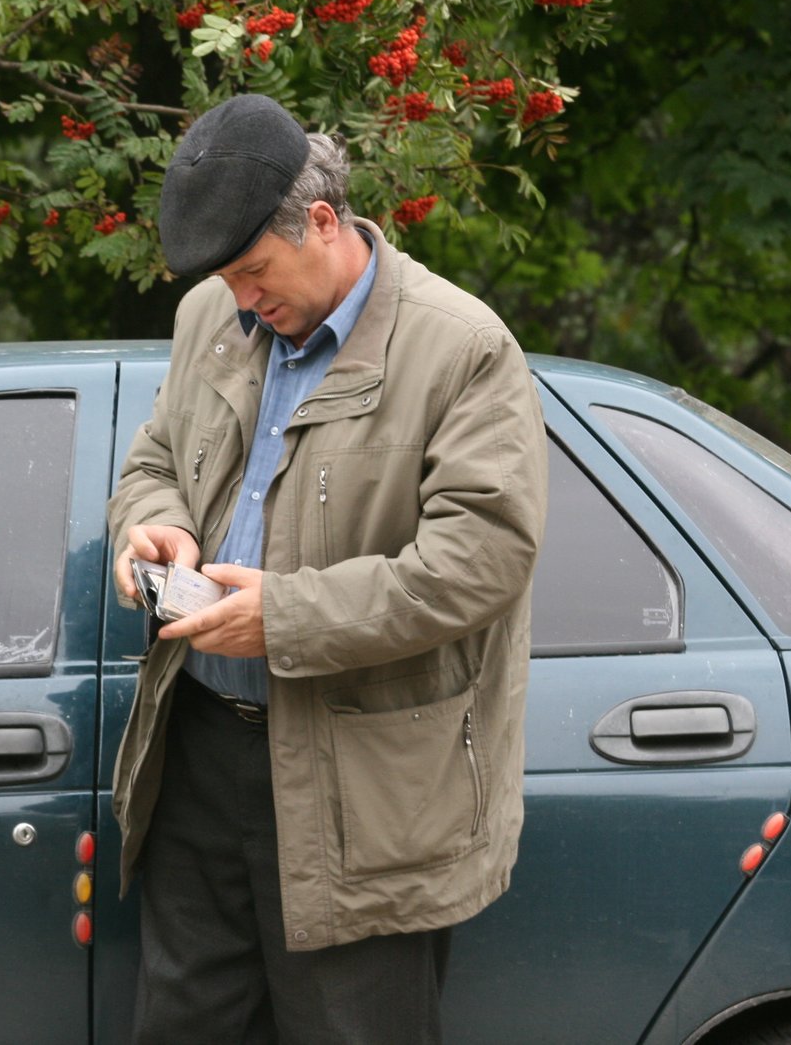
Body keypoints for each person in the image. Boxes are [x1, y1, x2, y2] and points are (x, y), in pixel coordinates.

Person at [108, 93, 548, 1045]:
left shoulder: (462, 347)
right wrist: (154, 527)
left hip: (364, 789)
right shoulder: (209, 320)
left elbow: (482, 557)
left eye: (255, 272)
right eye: (225, 280)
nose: (241, 300)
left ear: (321, 220)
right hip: (198, 755)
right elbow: (152, 458)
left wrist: (289, 617)